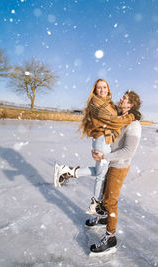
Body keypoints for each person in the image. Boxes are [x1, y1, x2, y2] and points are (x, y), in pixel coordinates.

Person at [55, 90, 142, 255]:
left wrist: (105, 156)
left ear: (130, 105)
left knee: (110, 201)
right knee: (103, 194)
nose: (121, 98)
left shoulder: (134, 125)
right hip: (110, 162)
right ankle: (102, 218)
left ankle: (110, 238)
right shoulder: (119, 117)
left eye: (125, 98)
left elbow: (128, 151)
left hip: (119, 166)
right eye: (123, 96)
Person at [54, 79, 135, 215]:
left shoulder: (108, 103)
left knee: (99, 171)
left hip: (104, 140)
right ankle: (95, 205)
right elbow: (113, 121)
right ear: (95, 90)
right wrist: (131, 117)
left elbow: (115, 117)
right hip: (102, 140)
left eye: (104, 87)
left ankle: (67, 171)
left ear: (108, 88)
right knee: (101, 176)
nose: (102, 90)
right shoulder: (96, 104)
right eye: (99, 88)